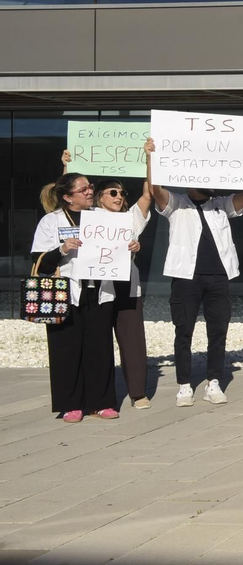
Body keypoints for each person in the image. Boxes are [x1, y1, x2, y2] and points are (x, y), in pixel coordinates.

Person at [143, 137, 243, 407]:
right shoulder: (176, 203)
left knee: (218, 330)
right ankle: (184, 385)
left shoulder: (221, 204)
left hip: (218, 277)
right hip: (185, 276)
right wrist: (151, 158)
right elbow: (155, 190)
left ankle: (213, 382)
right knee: (183, 330)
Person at [61, 149, 154, 409]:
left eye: (122, 192)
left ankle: (138, 393)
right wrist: (67, 167)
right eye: (113, 192)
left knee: (132, 341)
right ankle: (101, 397)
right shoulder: (87, 218)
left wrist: (150, 159)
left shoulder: (131, 218)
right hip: (96, 288)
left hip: (125, 285)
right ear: (99, 197)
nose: (119, 196)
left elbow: (149, 193)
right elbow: (67, 200)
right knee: (97, 344)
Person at [32, 173, 121, 421]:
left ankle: (101, 402)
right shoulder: (51, 222)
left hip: (98, 290)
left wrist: (132, 247)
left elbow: (118, 248)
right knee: (65, 349)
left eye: (90, 187)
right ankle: (71, 404)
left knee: (100, 348)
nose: (90, 191)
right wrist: (62, 248)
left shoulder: (104, 217)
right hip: (65, 292)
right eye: (83, 189)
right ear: (68, 197)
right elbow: (39, 262)